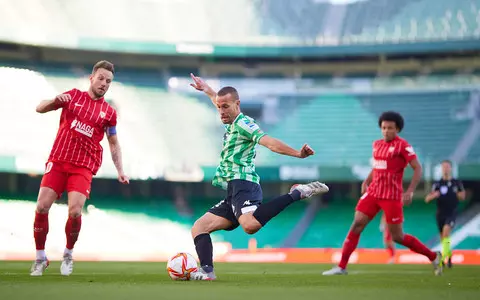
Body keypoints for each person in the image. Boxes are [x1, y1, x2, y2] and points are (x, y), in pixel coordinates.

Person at [189, 74, 329, 280]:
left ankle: (297, 193)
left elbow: (269, 142)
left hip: (245, 184)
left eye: (225, 106)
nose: (220, 111)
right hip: (232, 190)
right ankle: (208, 272)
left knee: (250, 226)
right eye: (219, 107)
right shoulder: (229, 119)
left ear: (237, 104)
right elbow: (218, 100)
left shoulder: (245, 124)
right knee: (199, 227)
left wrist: (298, 154)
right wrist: (207, 89)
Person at [31, 60, 130, 276]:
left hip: (83, 166)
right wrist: (55, 101)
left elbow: (114, 143)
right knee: (41, 207)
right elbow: (39, 108)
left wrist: (120, 170)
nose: (104, 83)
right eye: (101, 78)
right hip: (58, 160)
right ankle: (40, 257)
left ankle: (67, 254)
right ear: (91, 78)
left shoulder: (109, 113)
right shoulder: (72, 96)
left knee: (75, 210)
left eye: (109, 81)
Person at [323, 111, 443, 276]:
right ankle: (341, 266)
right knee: (357, 223)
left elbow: (417, 168)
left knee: (397, 236)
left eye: (390, 128)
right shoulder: (377, 144)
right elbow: (377, 166)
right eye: (384, 127)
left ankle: (433, 256)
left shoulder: (403, 146)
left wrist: (410, 191)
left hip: (391, 196)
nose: (386, 131)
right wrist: (366, 181)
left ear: (397, 129)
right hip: (373, 193)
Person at [425, 160, 465, 268]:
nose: (445, 169)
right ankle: (449, 256)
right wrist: (434, 195)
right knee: (443, 238)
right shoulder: (437, 184)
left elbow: (463, 196)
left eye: (447, 167)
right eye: (444, 167)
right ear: (441, 169)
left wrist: (458, 194)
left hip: (452, 212)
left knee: (446, 232)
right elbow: (427, 199)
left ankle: (442, 259)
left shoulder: (457, 183)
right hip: (440, 213)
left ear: (451, 168)